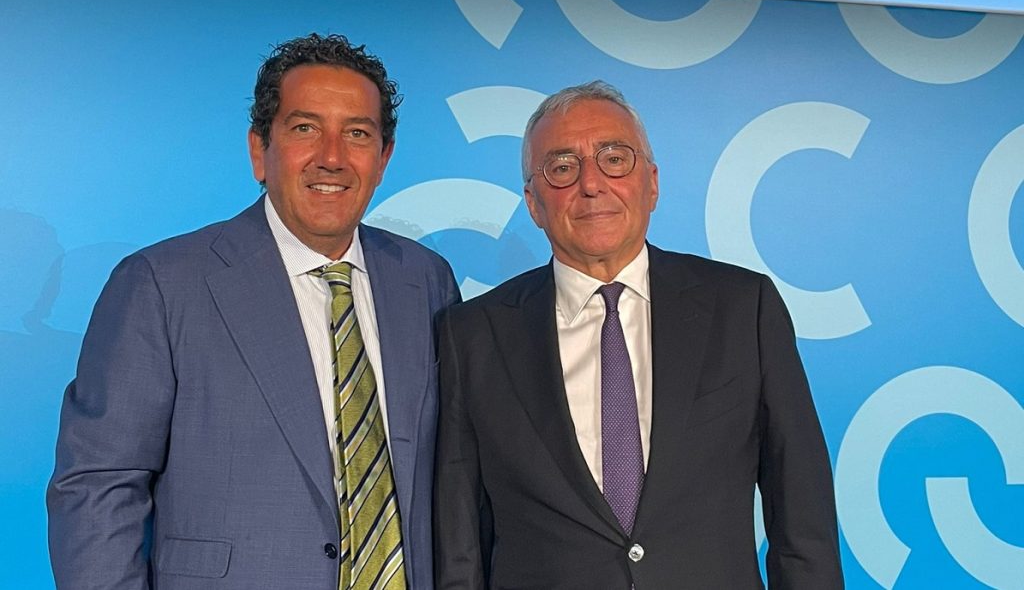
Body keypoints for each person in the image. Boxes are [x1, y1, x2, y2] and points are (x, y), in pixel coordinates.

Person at [47, 33, 459, 589]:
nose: (332, 157)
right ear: (259, 150)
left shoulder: (426, 280)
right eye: (305, 128)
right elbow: (97, 487)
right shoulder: (160, 284)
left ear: (383, 158)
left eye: (357, 133)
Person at [433, 81, 843, 588]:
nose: (591, 183)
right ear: (533, 203)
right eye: (562, 167)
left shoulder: (744, 308)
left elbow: (802, 515)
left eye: (614, 159)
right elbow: (460, 545)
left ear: (651, 183)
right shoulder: (472, 335)